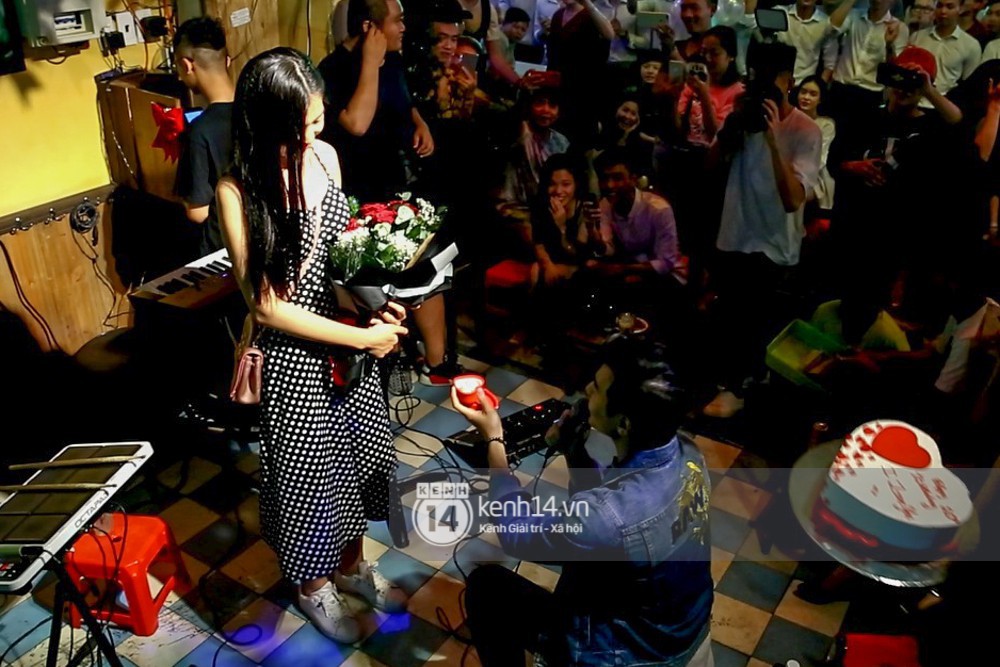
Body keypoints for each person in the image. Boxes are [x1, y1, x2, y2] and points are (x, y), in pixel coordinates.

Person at [216, 48, 410, 643]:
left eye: (318, 118)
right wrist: (363, 335)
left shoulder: (325, 157)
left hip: (346, 343)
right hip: (293, 360)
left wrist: (373, 305)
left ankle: (352, 568)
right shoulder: (237, 191)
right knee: (308, 483)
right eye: (300, 125)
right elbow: (267, 306)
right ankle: (312, 587)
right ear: (266, 123)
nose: (313, 134)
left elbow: (336, 261)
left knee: (358, 461)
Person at [452, 336, 713, 667]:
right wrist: (574, 451)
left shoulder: (607, 518)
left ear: (624, 423)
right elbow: (609, 517)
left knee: (487, 589)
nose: (588, 390)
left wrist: (494, 440)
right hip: (679, 631)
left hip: (627, 654)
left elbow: (518, 535)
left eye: (598, 388)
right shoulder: (689, 454)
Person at [703, 42, 822, 418]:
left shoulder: (806, 130)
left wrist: (772, 140)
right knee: (731, 318)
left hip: (775, 243)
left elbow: (793, 200)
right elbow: (709, 169)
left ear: (789, 81)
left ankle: (749, 390)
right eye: (757, 80)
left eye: (772, 81)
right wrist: (731, 131)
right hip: (735, 234)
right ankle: (728, 385)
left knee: (761, 324)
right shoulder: (742, 115)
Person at [318, 0, 435, 203]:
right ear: (368, 26)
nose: (403, 28)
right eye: (397, 21)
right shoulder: (333, 68)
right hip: (359, 186)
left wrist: (419, 123)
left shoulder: (393, 58)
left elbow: (402, 98)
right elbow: (357, 124)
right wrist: (371, 63)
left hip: (395, 179)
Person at [173, 16, 235, 256]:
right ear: (227, 61)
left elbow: (197, 212)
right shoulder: (259, 110)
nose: (180, 76)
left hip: (222, 252)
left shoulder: (200, 131)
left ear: (187, 65)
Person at [829, 0, 909, 125]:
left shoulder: (899, 27)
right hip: (841, 87)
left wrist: (889, 45)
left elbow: (893, 68)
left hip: (870, 94)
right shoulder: (854, 15)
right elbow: (832, 27)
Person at [545, 0, 615, 141]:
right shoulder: (558, 15)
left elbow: (609, 34)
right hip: (558, 83)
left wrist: (587, 4)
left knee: (580, 133)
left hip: (583, 86)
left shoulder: (590, 14)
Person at [743, 0, 839, 84]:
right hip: (775, 83)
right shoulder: (779, 12)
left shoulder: (826, 23)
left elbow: (829, 64)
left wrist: (818, 87)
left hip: (803, 85)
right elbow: (753, 28)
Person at [910, 0, 982, 101]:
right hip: (915, 101)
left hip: (946, 103)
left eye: (950, 7)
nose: (943, 11)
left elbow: (969, 84)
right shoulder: (917, 37)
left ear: (960, 9)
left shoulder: (971, 45)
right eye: (939, 6)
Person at [795, 75, 836, 211]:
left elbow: (821, 158)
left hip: (815, 176)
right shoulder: (790, 119)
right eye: (803, 92)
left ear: (820, 99)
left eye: (813, 94)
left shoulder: (826, 124)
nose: (806, 97)